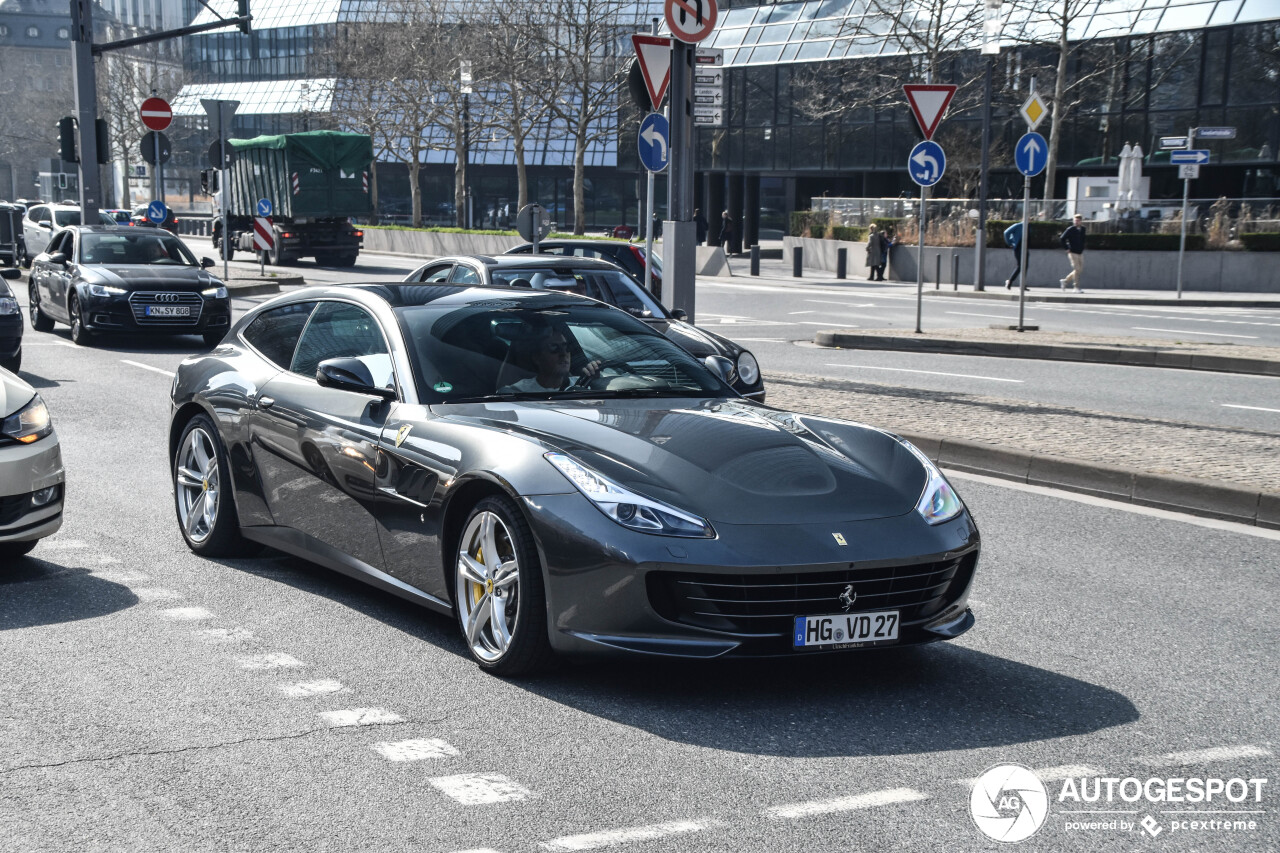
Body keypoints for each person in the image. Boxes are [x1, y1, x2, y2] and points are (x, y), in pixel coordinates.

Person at [500, 327, 603, 393]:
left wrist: (597, 382)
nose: (563, 354)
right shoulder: (518, 392)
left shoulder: (583, 384)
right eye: (554, 348)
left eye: (566, 347)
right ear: (537, 358)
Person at [1059, 213, 1086, 293]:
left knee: (1080, 270)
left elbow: (1083, 239)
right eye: (1075, 220)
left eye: (1078, 220)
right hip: (1072, 252)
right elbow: (1062, 238)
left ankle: (1065, 281)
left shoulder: (1083, 229)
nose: (1076, 222)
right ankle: (1076, 287)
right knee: (1077, 269)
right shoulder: (1070, 229)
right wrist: (1067, 248)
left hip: (1080, 252)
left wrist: (1082, 247)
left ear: (1081, 221)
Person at [1004, 221, 1027, 289]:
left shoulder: (1028, 227)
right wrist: (1010, 243)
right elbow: (1006, 232)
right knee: (1020, 266)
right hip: (1018, 248)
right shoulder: (1019, 225)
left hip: (1025, 249)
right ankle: (1010, 281)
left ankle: (1022, 284)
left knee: (1024, 266)